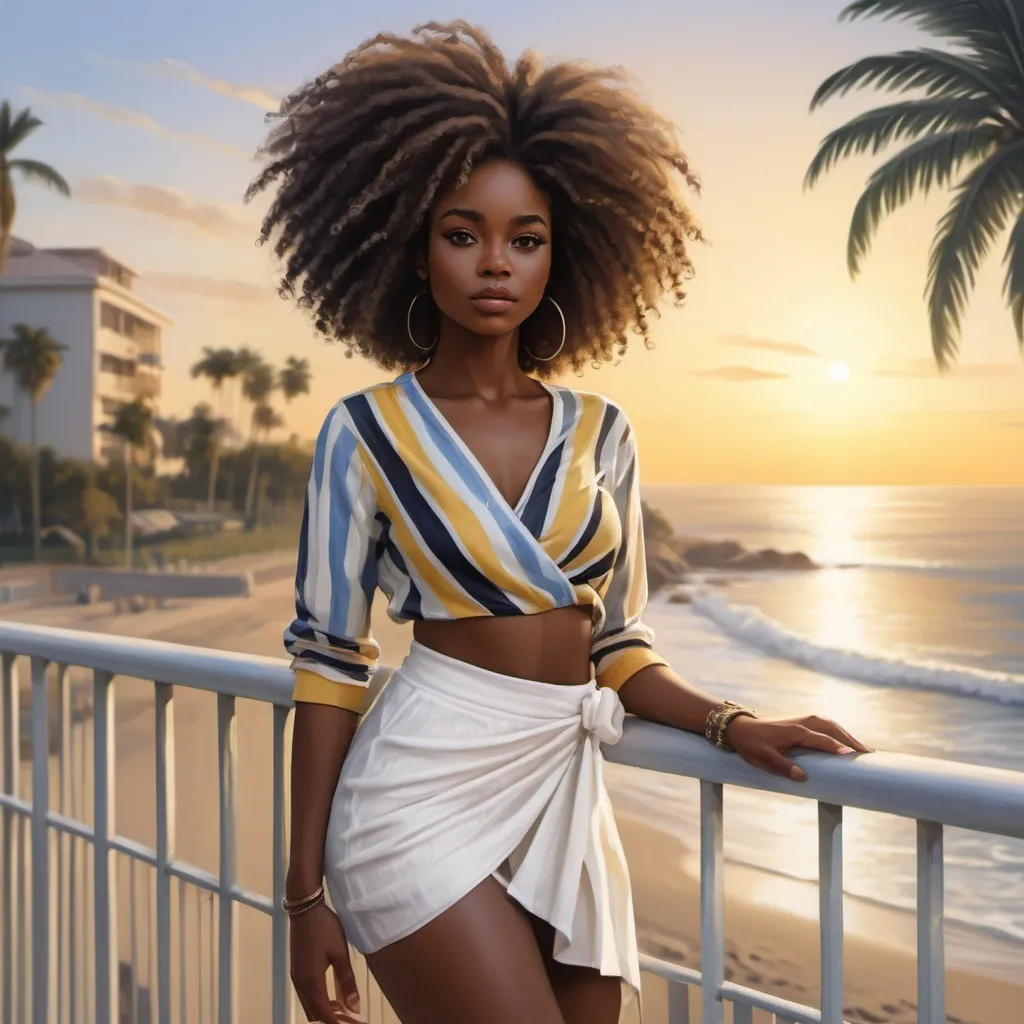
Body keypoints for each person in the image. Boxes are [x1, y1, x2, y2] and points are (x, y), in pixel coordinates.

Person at [247, 22, 871, 1024]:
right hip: (416, 793)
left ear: (560, 256)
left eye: (525, 238)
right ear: (414, 249)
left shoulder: (604, 432)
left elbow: (618, 645)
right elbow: (328, 664)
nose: (495, 263)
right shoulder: (362, 433)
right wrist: (302, 892)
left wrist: (729, 721)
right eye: (463, 233)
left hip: (562, 789)